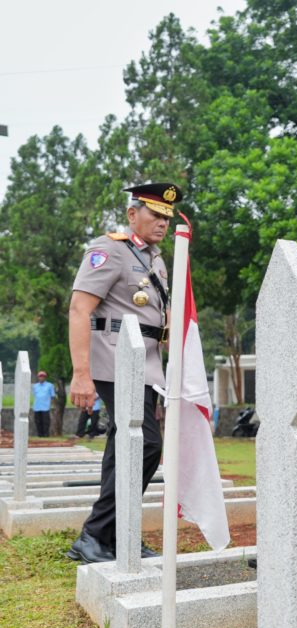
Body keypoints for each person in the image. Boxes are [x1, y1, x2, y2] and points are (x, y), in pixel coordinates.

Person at [66, 182, 179, 564]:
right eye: (155, 215)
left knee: (125, 449)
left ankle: (116, 535)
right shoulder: (109, 249)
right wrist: (81, 374)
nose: (163, 222)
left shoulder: (156, 260)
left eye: (167, 217)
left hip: (146, 366)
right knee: (146, 444)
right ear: (133, 214)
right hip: (114, 361)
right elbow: (80, 309)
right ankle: (96, 533)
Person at [31, 371, 57, 437]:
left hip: (45, 407)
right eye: (40, 376)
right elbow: (35, 395)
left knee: (46, 422)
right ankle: (40, 435)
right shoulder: (35, 386)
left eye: (43, 376)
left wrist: (53, 405)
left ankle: (46, 434)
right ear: (38, 377)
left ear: (45, 377)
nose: (41, 378)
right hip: (37, 407)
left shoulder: (50, 385)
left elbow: (52, 396)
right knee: (37, 421)